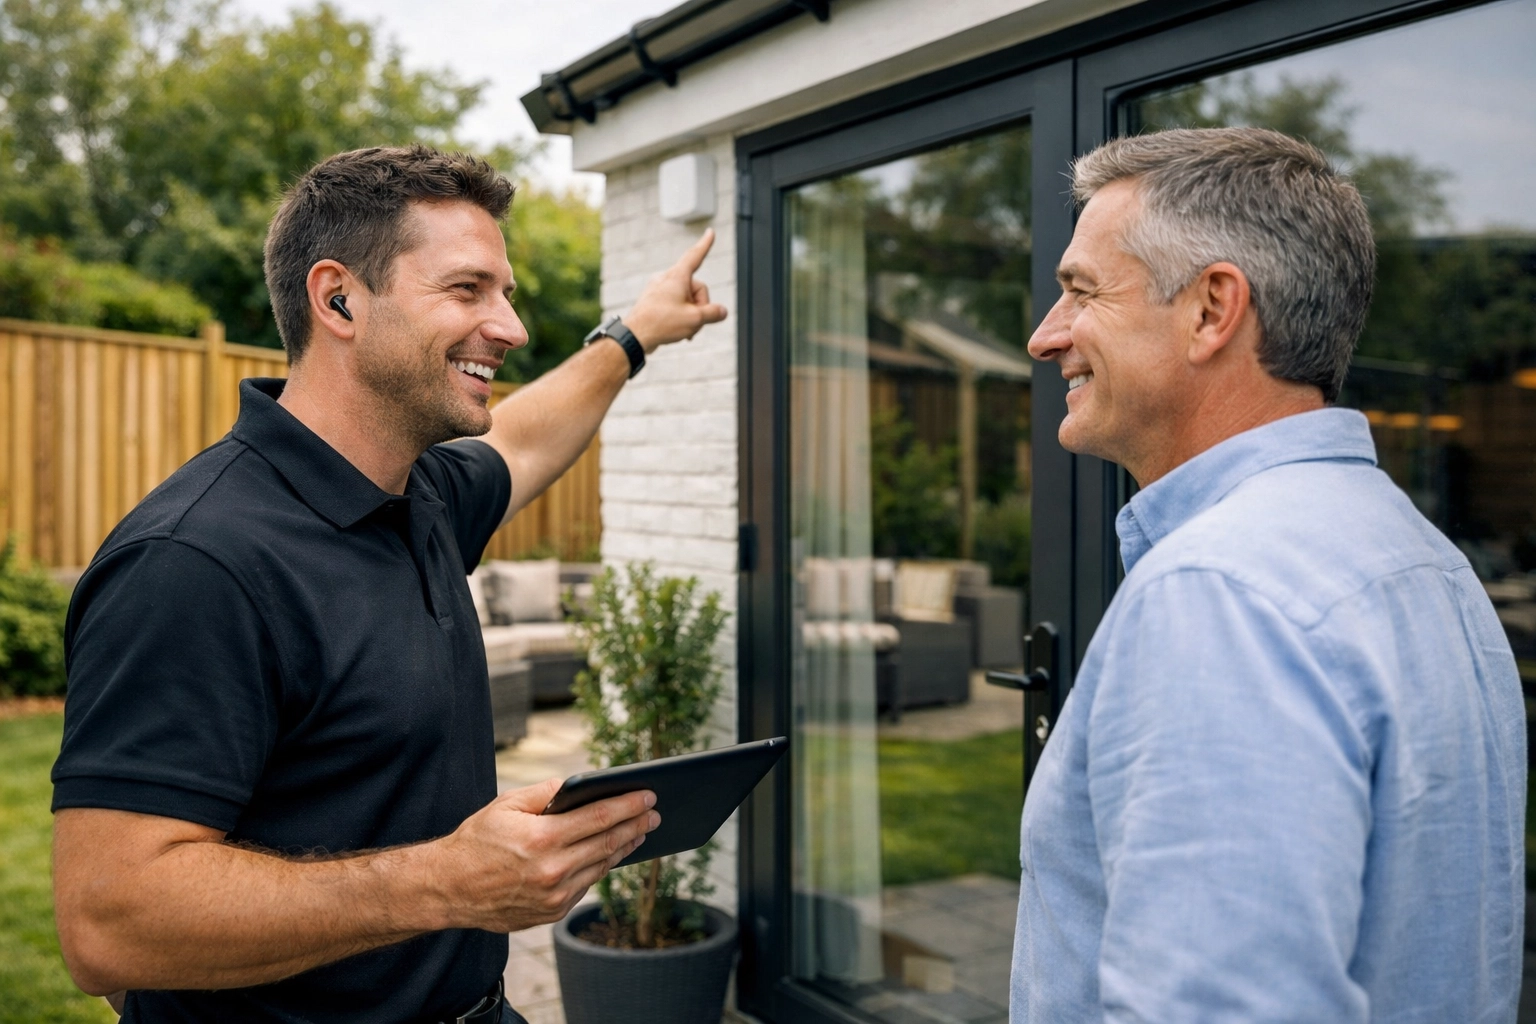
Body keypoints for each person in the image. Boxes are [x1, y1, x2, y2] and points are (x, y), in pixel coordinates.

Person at [50, 145, 727, 1023]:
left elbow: (525, 439)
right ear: (338, 298)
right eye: (467, 289)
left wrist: (632, 336)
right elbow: (108, 923)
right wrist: (447, 882)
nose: (512, 328)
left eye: (505, 294)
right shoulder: (194, 563)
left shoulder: (421, 493)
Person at [1013, 127, 1525, 1022]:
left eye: (1082, 291)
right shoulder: (1425, 560)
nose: (1043, 336)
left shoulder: (1219, 592)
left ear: (1212, 309)